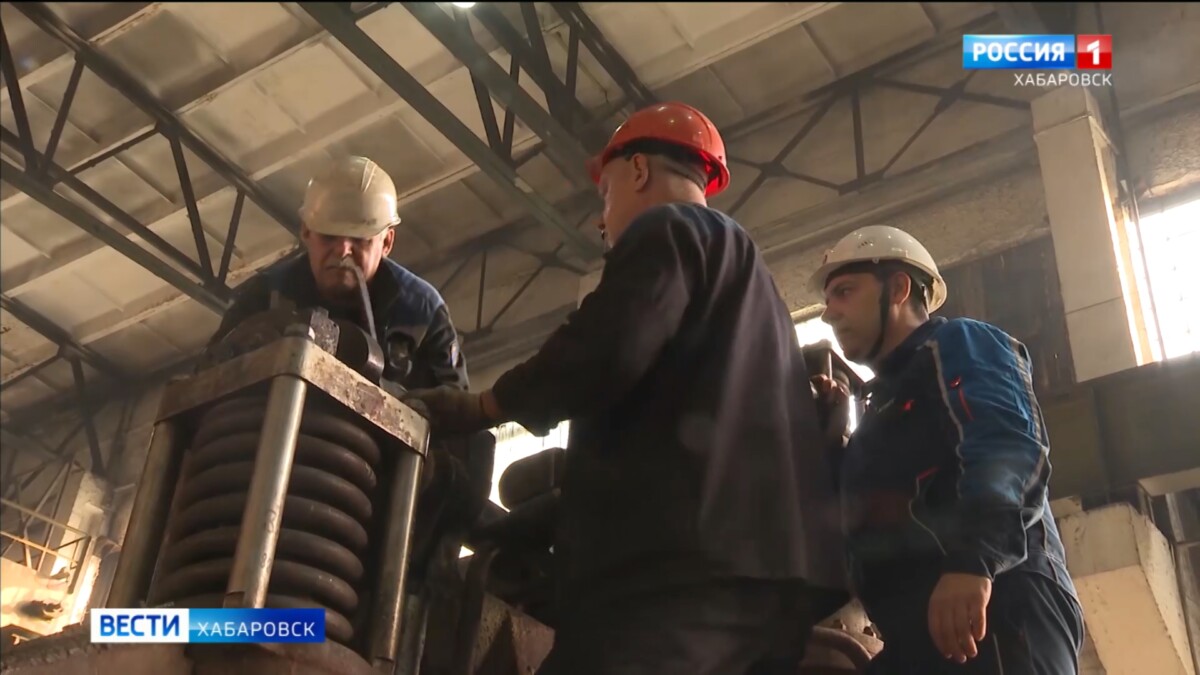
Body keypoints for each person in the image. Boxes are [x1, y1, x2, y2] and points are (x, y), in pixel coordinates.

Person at [403, 102, 826, 674]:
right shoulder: (753, 285)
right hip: (754, 588)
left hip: (670, 581)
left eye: (605, 194)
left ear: (638, 170)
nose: (603, 220)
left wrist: (485, 405)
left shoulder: (670, 227)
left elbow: (606, 346)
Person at [808, 225, 1085, 674]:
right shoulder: (877, 415)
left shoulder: (958, 343)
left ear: (899, 289)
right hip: (919, 628)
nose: (829, 314)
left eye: (844, 292)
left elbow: (1005, 445)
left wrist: (974, 562)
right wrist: (829, 435)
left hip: (995, 603)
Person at [207, 155, 468, 391]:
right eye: (329, 236)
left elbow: (456, 410)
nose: (343, 251)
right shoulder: (263, 297)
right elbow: (208, 379)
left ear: (387, 242)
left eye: (360, 239)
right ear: (306, 231)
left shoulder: (422, 311)